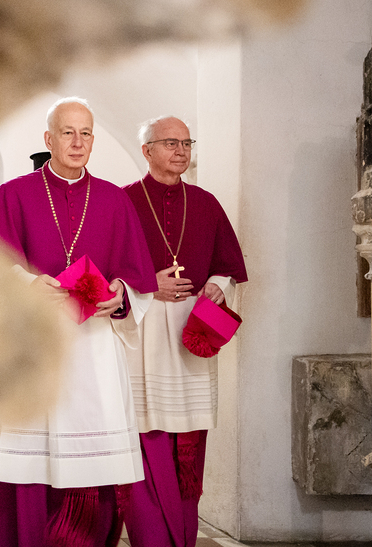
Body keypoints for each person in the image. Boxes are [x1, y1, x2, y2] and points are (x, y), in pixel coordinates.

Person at [0, 97, 157, 547]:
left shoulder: (114, 199)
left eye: (86, 133)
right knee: (29, 468)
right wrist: (26, 283)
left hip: (94, 352)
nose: (78, 142)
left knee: (94, 468)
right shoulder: (14, 194)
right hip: (32, 345)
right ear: (49, 138)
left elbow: (137, 280)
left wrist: (119, 294)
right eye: (67, 132)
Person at [121, 116, 248, 547]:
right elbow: (106, 271)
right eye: (170, 143)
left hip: (191, 334)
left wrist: (218, 284)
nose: (181, 151)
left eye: (186, 143)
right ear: (147, 151)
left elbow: (229, 265)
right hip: (142, 335)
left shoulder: (206, 203)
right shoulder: (123, 201)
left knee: (188, 443)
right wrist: (147, 284)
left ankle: (182, 537)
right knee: (144, 438)